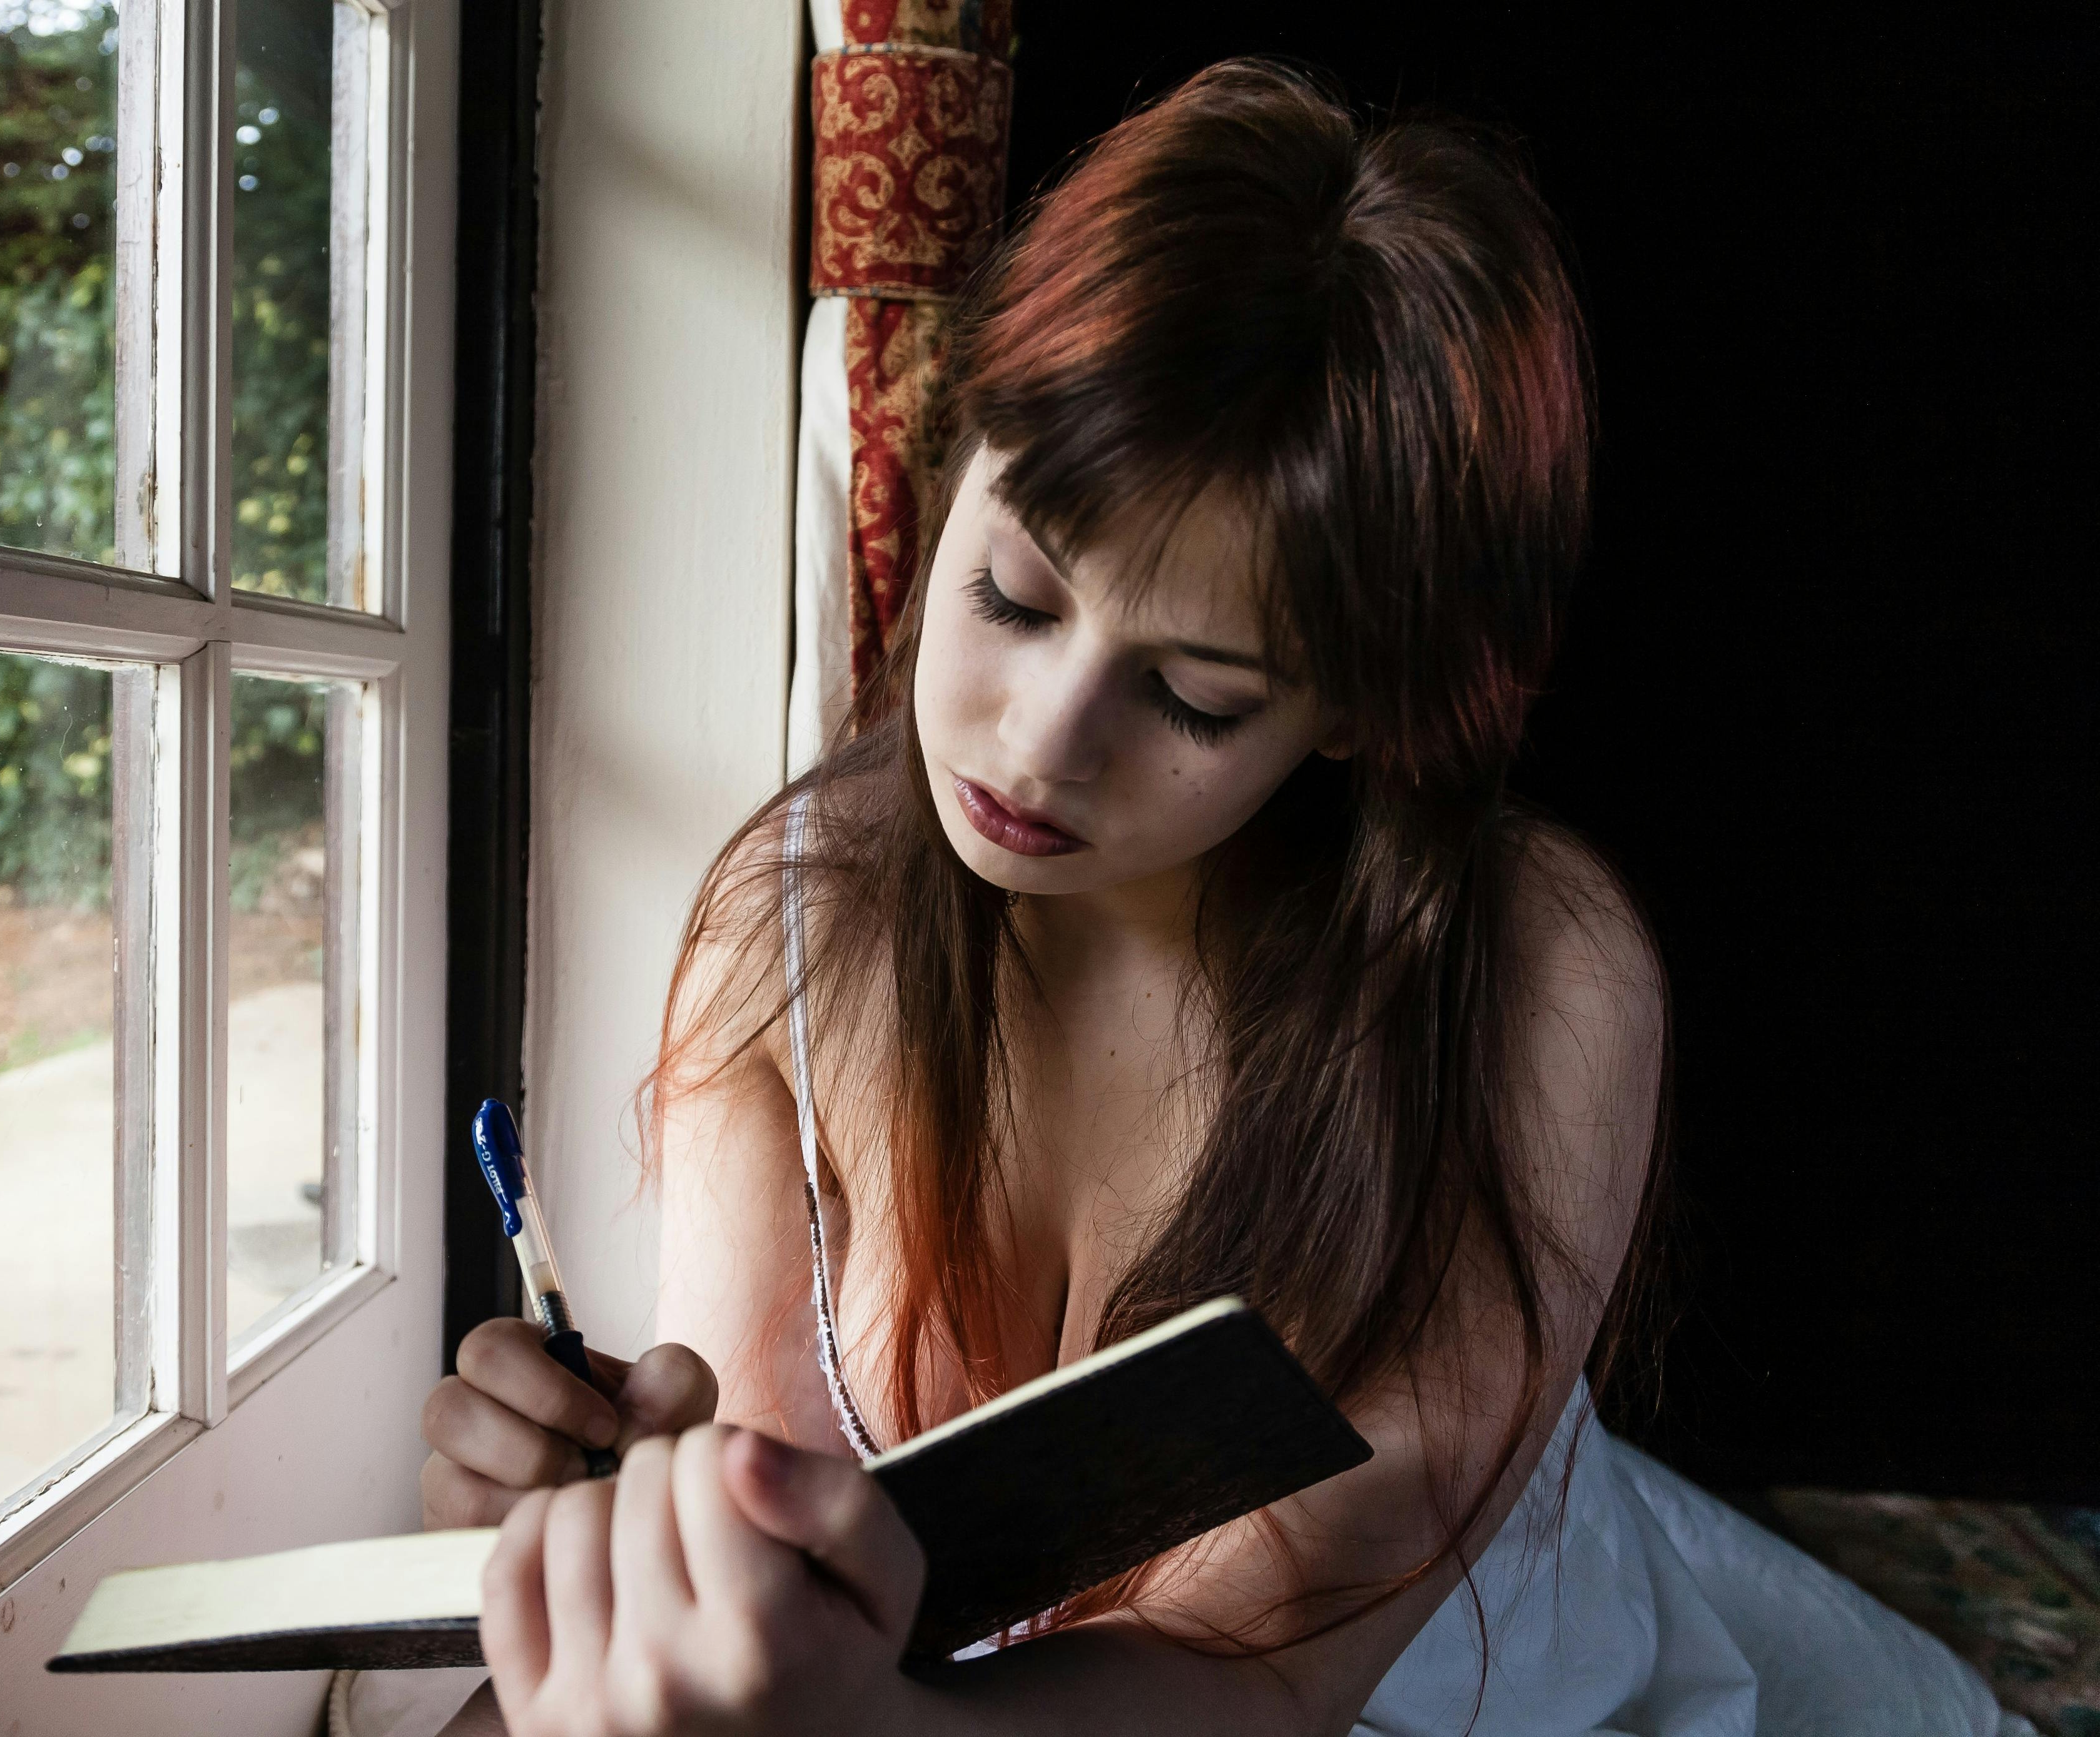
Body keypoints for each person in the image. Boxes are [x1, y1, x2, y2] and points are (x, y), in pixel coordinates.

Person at [415, 60, 2014, 1737]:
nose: (1037, 745)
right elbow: (787, 1556)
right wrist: (624, 1521)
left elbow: (1272, 1683)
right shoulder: (791, 931)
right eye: (1013, 593)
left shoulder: (1534, 984)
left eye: (1195, 697)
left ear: (1363, 714)